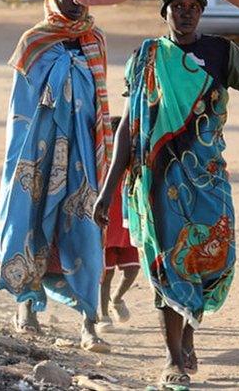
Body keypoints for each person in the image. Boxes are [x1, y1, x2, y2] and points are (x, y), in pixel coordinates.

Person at [92, 0, 239, 388]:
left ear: (202, 12)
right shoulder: (146, 57)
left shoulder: (221, 52)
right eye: (178, 6)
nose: (186, 12)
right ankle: (173, 361)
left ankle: (187, 332)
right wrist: (108, 188)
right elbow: (130, 130)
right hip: (156, 183)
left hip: (208, 180)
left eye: (194, 6)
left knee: (209, 260)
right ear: (163, 11)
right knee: (167, 266)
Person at [0, 0, 113, 353]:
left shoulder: (95, 42)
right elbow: (19, 112)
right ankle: (26, 306)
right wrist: (20, 166)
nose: (74, 2)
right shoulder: (33, 43)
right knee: (29, 222)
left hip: (82, 156)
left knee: (86, 233)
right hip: (37, 155)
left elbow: (99, 106)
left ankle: (90, 323)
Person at [98, 115, 141, 328]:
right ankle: (103, 314)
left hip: (126, 230)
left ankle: (117, 298)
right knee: (106, 274)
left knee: (132, 269)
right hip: (107, 230)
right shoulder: (103, 167)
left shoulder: (132, 168)